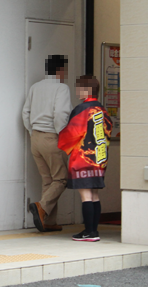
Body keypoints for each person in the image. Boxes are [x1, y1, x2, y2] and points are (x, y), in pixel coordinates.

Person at [58, 75, 112, 242]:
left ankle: (89, 232)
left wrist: (61, 141)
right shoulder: (102, 110)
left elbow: (72, 133)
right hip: (99, 158)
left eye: (79, 87)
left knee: (85, 196)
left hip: (82, 158)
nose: (77, 91)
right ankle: (93, 231)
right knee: (94, 195)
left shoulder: (82, 109)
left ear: (86, 90)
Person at [22, 54, 72, 233]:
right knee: (61, 179)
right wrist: (62, 136)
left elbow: (25, 112)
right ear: (60, 70)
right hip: (52, 137)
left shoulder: (35, 87)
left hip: (35, 138)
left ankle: (48, 222)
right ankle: (42, 207)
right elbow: (60, 114)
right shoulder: (61, 88)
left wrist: (31, 132)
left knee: (48, 180)